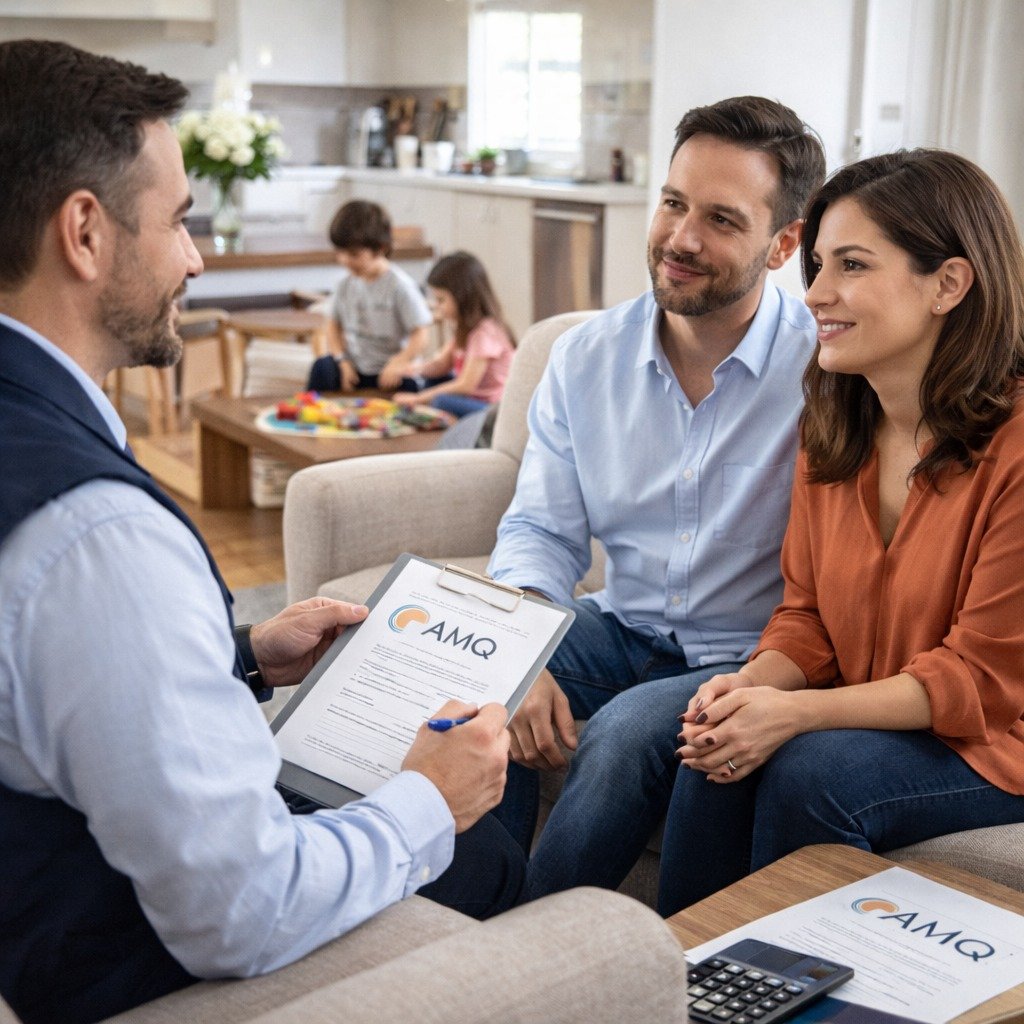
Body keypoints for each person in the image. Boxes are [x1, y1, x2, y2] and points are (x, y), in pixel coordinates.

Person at [0, 40, 523, 1024]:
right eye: (179, 221)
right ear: (84, 231)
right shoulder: (98, 538)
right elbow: (237, 911)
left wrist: (238, 653)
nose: (195, 257)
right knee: (487, 851)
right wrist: (429, 797)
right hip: (116, 956)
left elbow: (49, 674)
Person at [658, 148, 1024, 914]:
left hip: (998, 739)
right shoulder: (835, 422)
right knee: (716, 743)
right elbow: (807, 616)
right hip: (883, 713)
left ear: (949, 284)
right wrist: (751, 689)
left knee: (807, 768)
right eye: (819, 264)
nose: (817, 293)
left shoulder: (1016, 449)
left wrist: (796, 713)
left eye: (852, 265)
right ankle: (675, 981)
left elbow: (979, 681)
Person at [485, 95, 827, 890]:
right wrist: (525, 644)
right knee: (480, 666)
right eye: (673, 203)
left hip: (747, 659)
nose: (681, 238)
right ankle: (472, 920)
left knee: (624, 737)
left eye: (721, 219)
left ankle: (536, 963)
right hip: (620, 629)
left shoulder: (828, 374)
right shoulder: (583, 359)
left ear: (783, 245)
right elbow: (539, 529)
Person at [305, 199, 433, 393]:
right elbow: (332, 325)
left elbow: (421, 333)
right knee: (322, 367)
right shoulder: (344, 285)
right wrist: (342, 361)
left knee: (410, 385)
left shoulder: (400, 286)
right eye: (340, 252)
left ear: (380, 248)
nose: (344, 260)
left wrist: (399, 362)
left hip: (388, 372)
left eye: (354, 254)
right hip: (355, 369)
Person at [393, 250, 516, 419]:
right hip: (472, 399)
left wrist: (418, 399)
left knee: (441, 401)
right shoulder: (464, 328)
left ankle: (450, 429)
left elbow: (466, 385)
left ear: (463, 296)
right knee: (432, 382)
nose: (437, 306)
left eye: (441, 300)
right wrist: (412, 370)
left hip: (491, 408)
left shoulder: (485, 333)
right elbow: (441, 365)